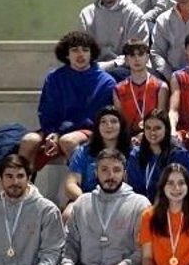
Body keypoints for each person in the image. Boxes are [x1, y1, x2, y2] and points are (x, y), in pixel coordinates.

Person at [18, 31, 117, 167]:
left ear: (91, 54)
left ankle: (82, 183)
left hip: (89, 131)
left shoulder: (106, 82)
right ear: (66, 54)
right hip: (56, 130)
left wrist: (61, 134)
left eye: (85, 50)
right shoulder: (54, 78)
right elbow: (47, 111)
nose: (80, 54)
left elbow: (98, 119)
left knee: (68, 141)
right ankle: (23, 185)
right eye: (75, 50)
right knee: (28, 140)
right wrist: (52, 133)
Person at [79, 0, 150, 76]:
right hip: (93, 67)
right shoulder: (86, 14)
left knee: (114, 76)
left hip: (125, 67)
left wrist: (109, 65)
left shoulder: (134, 14)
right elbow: (82, 48)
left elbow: (138, 51)